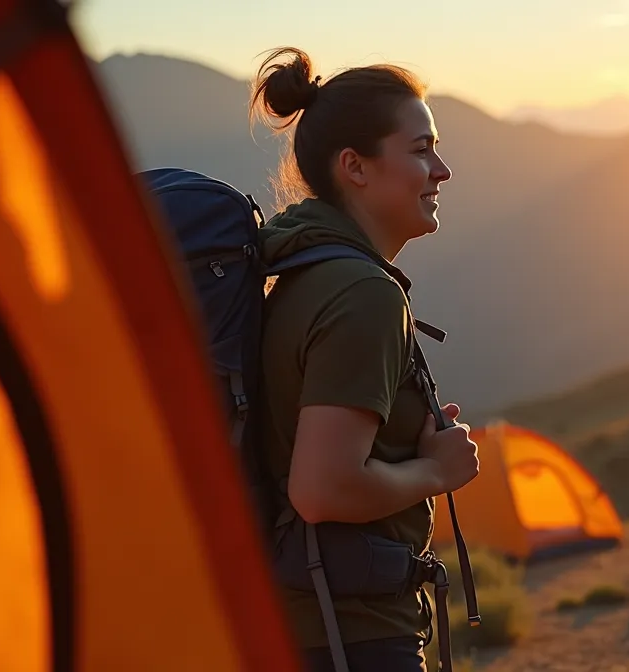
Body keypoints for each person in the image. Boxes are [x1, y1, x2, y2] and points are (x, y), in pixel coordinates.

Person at [249, 46, 480, 671]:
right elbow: (323, 489)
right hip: (350, 635)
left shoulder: (302, 272)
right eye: (421, 148)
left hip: (305, 620)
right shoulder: (362, 295)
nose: (442, 169)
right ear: (355, 166)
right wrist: (437, 471)